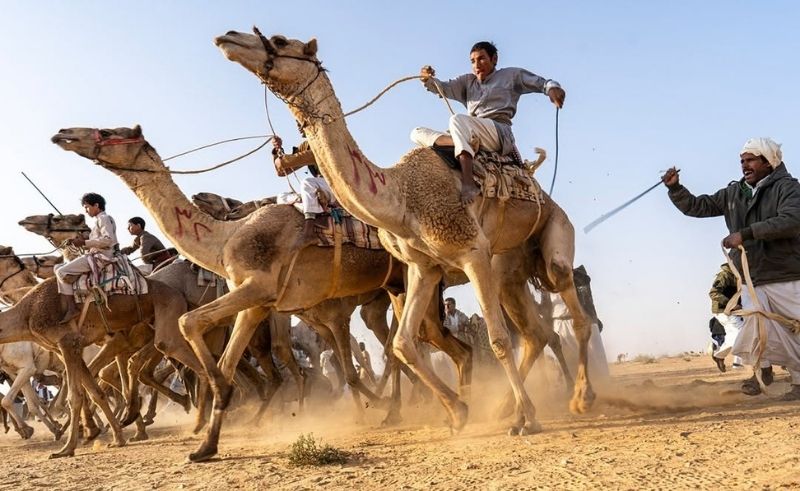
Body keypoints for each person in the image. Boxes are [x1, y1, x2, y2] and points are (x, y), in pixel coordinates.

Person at [662, 137, 800, 399]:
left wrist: (746, 234)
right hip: (751, 278)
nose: (744, 165)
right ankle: (762, 373)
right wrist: (676, 189)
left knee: (795, 329)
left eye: (750, 160)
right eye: (742, 161)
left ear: (768, 161)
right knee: (756, 328)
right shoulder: (733, 194)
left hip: (786, 274)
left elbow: (791, 221)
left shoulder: (789, 188)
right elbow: (697, 206)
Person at [413, 41, 566, 204]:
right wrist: (427, 80)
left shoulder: (511, 75)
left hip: (498, 132)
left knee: (457, 119)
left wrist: (552, 88)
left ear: (494, 59)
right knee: (416, 132)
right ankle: (462, 143)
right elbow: (442, 88)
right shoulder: (467, 81)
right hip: (471, 131)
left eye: (481, 59)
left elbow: (542, 83)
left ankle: (468, 182)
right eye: (473, 61)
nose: (477, 65)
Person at [54, 193, 119, 324]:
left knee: (60, 271)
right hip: (95, 255)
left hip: (101, 258)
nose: (86, 211)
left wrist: (84, 243)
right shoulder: (100, 221)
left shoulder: (104, 219)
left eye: (87, 207)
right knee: (59, 267)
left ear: (96, 205)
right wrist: (77, 242)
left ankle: (72, 308)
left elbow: (108, 241)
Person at [272, 135, 338, 249]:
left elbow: (286, 162)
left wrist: (282, 159)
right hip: (322, 185)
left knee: (307, 183)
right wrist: (277, 151)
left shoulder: (326, 141)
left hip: (337, 185)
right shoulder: (306, 145)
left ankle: (309, 231)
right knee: (282, 197)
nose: (299, 126)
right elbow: (282, 172)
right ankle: (314, 208)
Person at [708, 263, 745, 372]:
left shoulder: (737, 276)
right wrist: (731, 304)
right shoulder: (724, 275)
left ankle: (719, 355)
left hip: (731, 311)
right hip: (723, 311)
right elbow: (713, 293)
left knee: (735, 335)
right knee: (741, 334)